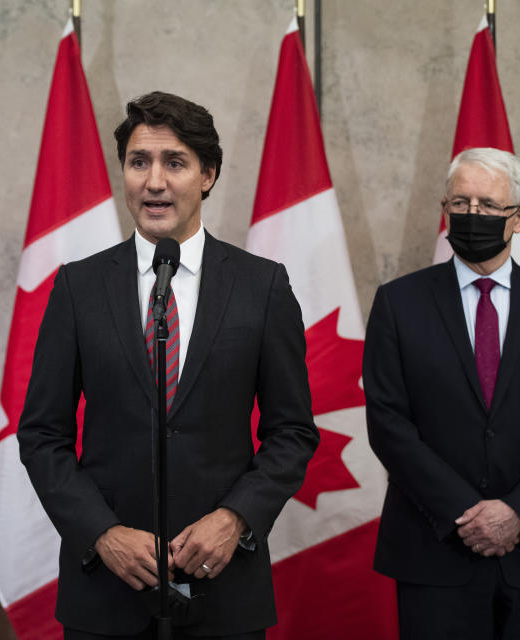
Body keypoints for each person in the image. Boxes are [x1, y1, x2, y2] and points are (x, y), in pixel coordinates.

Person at [18, 91, 318, 640]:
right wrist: (102, 533)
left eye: (174, 163)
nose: (154, 181)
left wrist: (236, 520)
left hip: (224, 586)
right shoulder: (78, 288)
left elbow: (292, 431)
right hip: (107, 590)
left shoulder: (263, 287)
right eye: (139, 162)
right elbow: (41, 434)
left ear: (207, 175)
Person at [363, 147, 520, 639]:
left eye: (488, 206)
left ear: (519, 219)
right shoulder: (398, 302)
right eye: (460, 203)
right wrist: (464, 514)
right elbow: (388, 424)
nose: (472, 216)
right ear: (445, 209)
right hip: (435, 551)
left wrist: (517, 511)